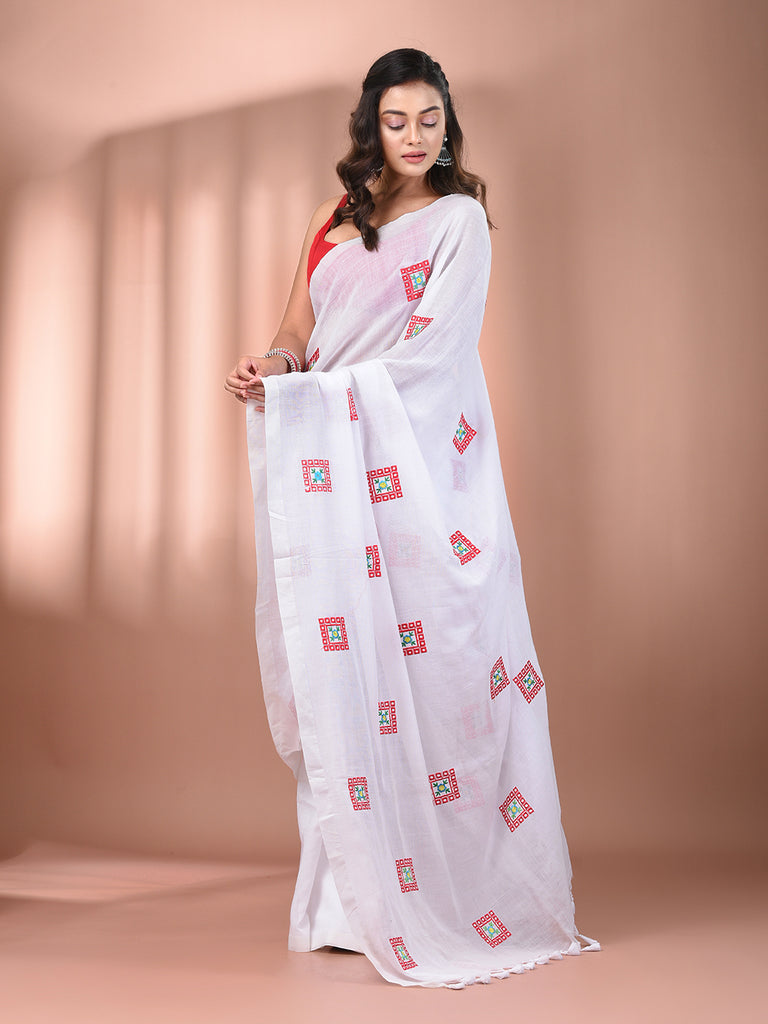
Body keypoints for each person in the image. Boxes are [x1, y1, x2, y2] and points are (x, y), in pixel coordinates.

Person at [225, 48, 599, 988]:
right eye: (398, 121)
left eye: (431, 119)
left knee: (438, 672)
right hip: (333, 474)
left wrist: (315, 394)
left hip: (423, 476)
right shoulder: (333, 220)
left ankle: (455, 888)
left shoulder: (459, 220)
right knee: (344, 668)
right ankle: (349, 902)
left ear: (448, 123)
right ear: (372, 127)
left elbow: (434, 356)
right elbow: (297, 334)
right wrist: (271, 371)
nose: (417, 136)